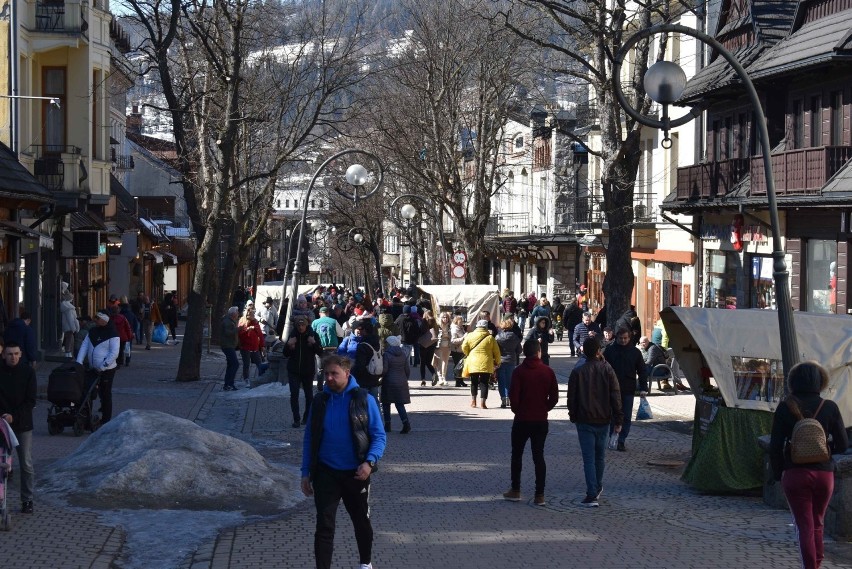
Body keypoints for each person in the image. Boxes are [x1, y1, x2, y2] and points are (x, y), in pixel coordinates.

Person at [300, 354, 387, 569]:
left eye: (334, 374)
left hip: (356, 473)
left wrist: (369, 463)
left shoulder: (364, 399)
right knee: (324, 526)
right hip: (325, 473)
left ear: (347, 374)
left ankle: (365, 563)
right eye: (326, 373)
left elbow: (379, 436)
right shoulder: (320, 401)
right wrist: (305, 472)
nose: (329, 378)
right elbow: (310, 437)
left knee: (361, 522)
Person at [770, 362, 847, 569]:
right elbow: (843, 445)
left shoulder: (785, 407)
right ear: (821, 381)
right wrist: (824, 446)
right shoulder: (830, 407)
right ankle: (817, 564)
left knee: (804, 525)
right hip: (824, 474)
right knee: (818, 523)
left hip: (795, 473)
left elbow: (775, 445)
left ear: (792, 381)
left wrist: (778, 474)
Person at [568, 337, 623, 507]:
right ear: (599, 350)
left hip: (584, 419)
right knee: (599, 456)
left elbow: (572, 397)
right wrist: (618, 418)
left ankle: (592, 492)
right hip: (603, 419)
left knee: (589, 458)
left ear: (584, 350)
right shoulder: (607, 369)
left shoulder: (578, 370)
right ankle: (597, 487)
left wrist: (573, 414)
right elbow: (615, 394)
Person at [502, 339, 558, 506]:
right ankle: (539, 494)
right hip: (540, 420)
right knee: (538, 456)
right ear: (539, 351)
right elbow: (554, 397)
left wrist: (518, 410)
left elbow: (514, 396)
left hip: (522, 419)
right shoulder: (548, 371)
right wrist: (544, 408)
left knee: (517, 455)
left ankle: (516, 489)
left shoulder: (518, 372)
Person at [0, 342, 37, 514]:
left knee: (26, 463)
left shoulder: (28, 372)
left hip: (22, 423)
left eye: (16, 354)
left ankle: (27, 500)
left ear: (21, 354)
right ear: (3, 355)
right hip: (1, 423)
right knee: (2, 463)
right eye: (9, 354)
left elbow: (30, 401)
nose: (13, 357)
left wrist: (14, 416)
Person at [602, 327, 647, 452]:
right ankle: (613, 437)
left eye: (625, 338)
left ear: (629, 338)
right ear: (617, 338)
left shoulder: (635, 352)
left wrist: (643, 387)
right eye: (621, 338)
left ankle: (621, 440)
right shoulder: (610, 350)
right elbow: (602, 369)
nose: (623, 340)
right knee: (612, 414)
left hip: (628, 387)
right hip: (611, 388)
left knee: (626, 415)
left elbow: (642, 370)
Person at [76, 312, 120, 424]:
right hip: (92, 368)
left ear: (105, 320)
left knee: (105, 394)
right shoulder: (92, 331)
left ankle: (106, 420)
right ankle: (85, 416)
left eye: (98, 318)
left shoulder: (113, 333)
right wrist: (79, 362)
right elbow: (84, 346)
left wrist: (103, 366)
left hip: (107, 370)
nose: (95, 320)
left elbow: (114, 353)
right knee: (87, 391)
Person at [285, 316, 324, 428]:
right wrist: (289, 345)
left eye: (303, 325)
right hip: (293, 370)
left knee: (309, 395)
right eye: (299, 325)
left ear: (307, 325)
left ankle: (306, 417)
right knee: (294, 394)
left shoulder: (313, 336)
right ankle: (296, 419)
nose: (301, 327)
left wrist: (313, 343)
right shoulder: (293, 335)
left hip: (308, 370)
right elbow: (285, 354)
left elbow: (320, 352)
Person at [461, 320, 501, 409]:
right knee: (484, 383)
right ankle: (483, 403)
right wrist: (498, 362)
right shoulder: (490, 338)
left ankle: (473, 401)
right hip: (486, 362)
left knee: (473, 382)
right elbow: (497, 351)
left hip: (473, 362)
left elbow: (464, 347)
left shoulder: (470, 335)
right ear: (486, 327)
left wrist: (468, 353)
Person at [381, 335, 411, 433]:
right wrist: (405, 378)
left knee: (386, 404)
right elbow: (407, 369)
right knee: (399, 404)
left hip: (389, 382)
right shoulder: (402, 354)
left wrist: (379, 376)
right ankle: (406, 423)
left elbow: (384, 369)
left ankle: (387, 424)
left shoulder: (386, 354)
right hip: (401, 381)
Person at [495, 317, 522, 408]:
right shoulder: (515, 337)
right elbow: (519, 350)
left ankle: (503, 398)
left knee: (501, 380)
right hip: (511, 360)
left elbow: (495, 350)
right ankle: (510, 398)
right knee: (509, 381)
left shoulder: (498, 337)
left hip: (500, 360)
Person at [238, 308, 265, 384]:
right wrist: (247, 329)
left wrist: (262, 346)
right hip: (245, 347)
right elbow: (240, 335)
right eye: (250, 314)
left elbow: (260, 335)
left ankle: (261, 377)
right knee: (246, 364)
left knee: (259, 363)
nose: (252, 316)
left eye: (252, 314)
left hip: (255, 347)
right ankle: (246, 378)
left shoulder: (256, 323)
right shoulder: (242, 322)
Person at [220, 307, 240, 391]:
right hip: (227, 345)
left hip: (229, 345)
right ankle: (229, 383)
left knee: (231, 364)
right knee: (235, 364)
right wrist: (238, 329)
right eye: (237, 312)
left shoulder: (230, 320)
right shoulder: (228, 321)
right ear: (233, 314)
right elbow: (228, 333)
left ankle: (227, 384)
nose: (238, 314)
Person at [431, 311, 452, 387]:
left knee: (445, 363)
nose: (445, 318)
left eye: (446, 317)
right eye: (443, 317)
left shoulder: (450, 326)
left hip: (447, 345)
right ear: (441, 318)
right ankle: (440, 377)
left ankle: (444, 377)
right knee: (439, 362)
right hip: (439, 345)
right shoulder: (437, 326)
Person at [418, 309, 439, 386]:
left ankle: (423, 380)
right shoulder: (435, 323)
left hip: (423, 344)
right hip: (432, 344)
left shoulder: (424, 322)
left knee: (422, 363)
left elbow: (420, 331)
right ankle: (433, 373)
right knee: (428, 362)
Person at [449, 315, 467, 387]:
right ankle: (457, 381)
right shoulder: (454, 329)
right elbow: (453, 340)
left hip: (461, 350)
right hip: (456, 350)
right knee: (458, 366)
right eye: (461, 321)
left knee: (461, 365)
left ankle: (460, 380)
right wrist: (463, 338)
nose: (462, 322)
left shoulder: (461, 328)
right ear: (456, 321)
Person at [60, 294, 79, 359]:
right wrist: (74, 327)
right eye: (72, 298)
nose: (73, 299)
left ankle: (69, 352)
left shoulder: (67, 307)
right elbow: (71, 319)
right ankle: (68, 352)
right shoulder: (69, 308)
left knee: (70, 339)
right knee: (70, 339)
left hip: (67, 326)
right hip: (69, 326)